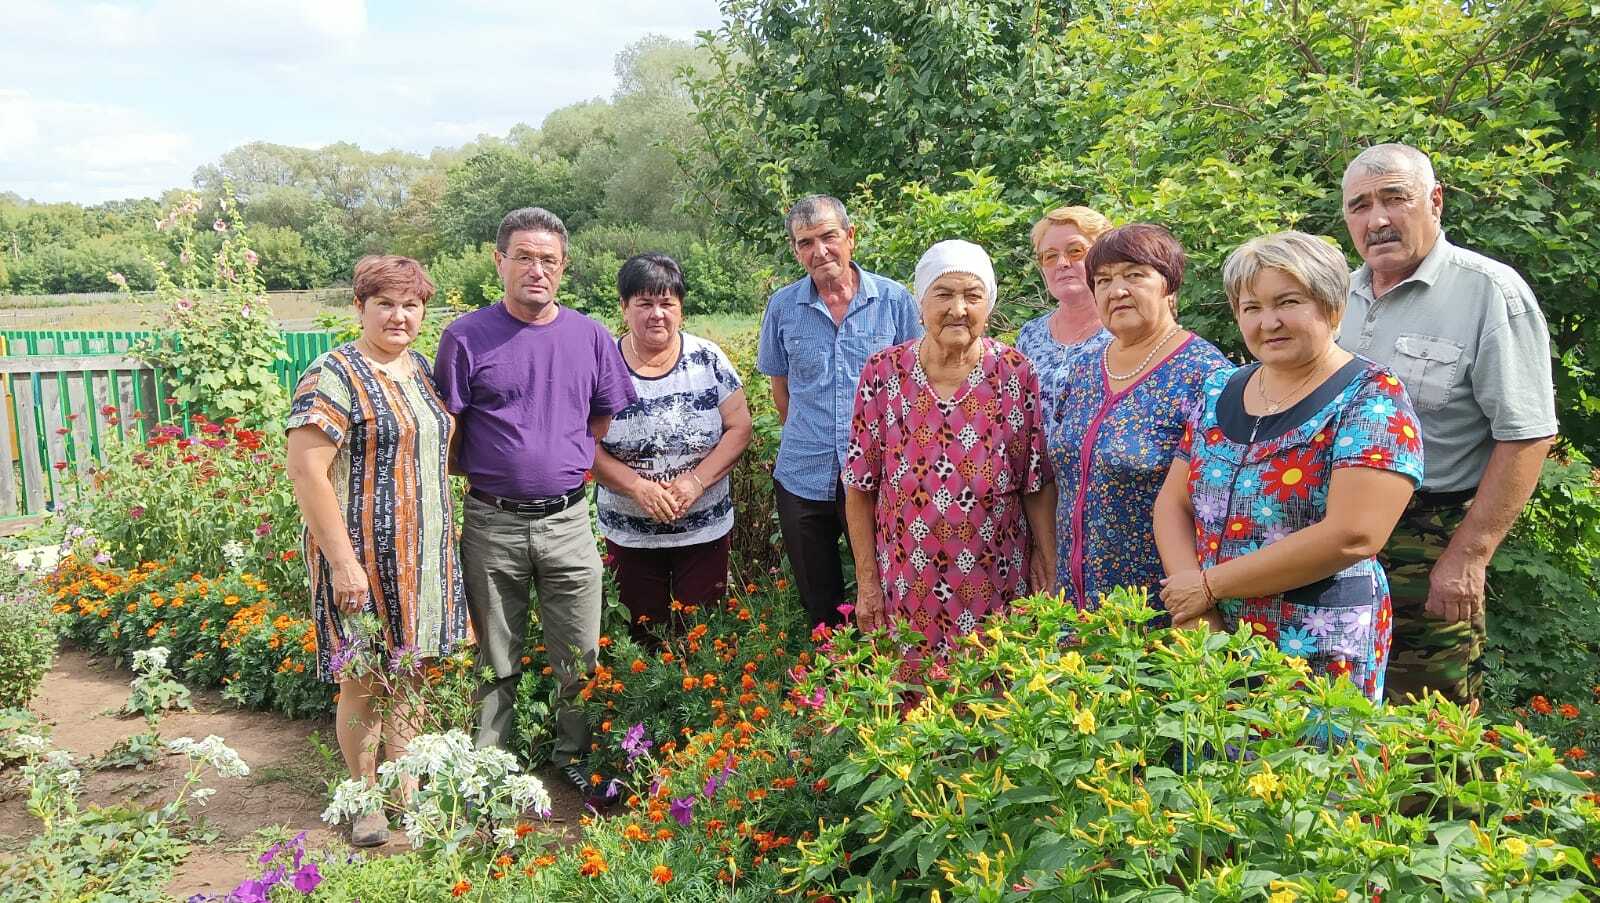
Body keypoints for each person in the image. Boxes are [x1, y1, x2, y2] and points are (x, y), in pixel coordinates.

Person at [1154, 231, 1424, 703]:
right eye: (1251, 307)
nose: (1269, 321)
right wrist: (1193, 607)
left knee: (1313, 752)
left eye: (1288, 301)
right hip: (1211, 636)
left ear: (1332, 306)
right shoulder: (1220, 389)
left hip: (1317, 644)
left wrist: (1208, 586)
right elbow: (1173, 503)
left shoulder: (1371, 396)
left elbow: (1354, 534)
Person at [1336, 143, 1559, 706]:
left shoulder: (1490, 292)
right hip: (1332, 532)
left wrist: (1469, 555)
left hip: (1429, 538)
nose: (1377, 219)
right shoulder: (1337, 293)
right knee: (1334, 705)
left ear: (1435, 201)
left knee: (1428, 718)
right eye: (1360, 206)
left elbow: (1527, 434)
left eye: (1395, 198)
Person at [432, 207, 638, 794]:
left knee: (579, 651)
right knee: (496, 655)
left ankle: (575, 756)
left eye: (548, 259)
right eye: (523, 257)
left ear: (564, 266)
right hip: (492, 521)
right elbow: (448, 431)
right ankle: (491, 767)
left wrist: (554, 461)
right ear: (499, 261)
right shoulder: (465, 337)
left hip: (569, 521)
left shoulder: (589, 336)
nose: (536, 270)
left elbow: (599, 420)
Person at [286, 255, 471, 846]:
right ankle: (365, 799)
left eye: (411, 305)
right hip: (360, 558)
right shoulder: (333, 373)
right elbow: (307, 472)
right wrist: (342, 562)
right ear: (359, 307)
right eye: (385, 304)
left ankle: (405, 793)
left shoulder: (422, 370)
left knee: (411, 673)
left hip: (424, 557)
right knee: (363, 678)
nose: (399, 316)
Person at [842, 239, 1055, 654]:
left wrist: (1046, 560)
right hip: (907, 583)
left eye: (972, 296)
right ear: (921, 304)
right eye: (943, 294)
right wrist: (867, 583)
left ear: (988, 305)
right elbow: (859, 487)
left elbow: (1035, 482)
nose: (958, 309)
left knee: (993, 684)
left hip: (997, 580)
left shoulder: (1014, 372)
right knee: (912, 687)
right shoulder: (883, 373)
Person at [1046, 224, 1230, 617]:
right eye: (1103, 280)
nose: (1117, 291)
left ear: (1169, 286)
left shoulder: (1205, 374)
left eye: (1134, 275)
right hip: (1073, 609)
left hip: (1158, 610)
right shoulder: (1084, 368)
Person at [756, 195, 922, 630]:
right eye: (805, 242)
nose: (820, 251)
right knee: (819, 602)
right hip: (803, 476)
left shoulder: (894, 301)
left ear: (850, 237)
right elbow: (781, 389)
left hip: (881, 478)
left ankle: (885, 670)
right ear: (796, 250)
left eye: (828, 237)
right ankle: (828, 670)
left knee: (889, 592)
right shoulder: (783, 307)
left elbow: (916, 384)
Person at [592, 253, 753, 645]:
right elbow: (582, 442)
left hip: (704, 528)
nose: (657, 314)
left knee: (703, 639)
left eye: (667, 303)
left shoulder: (707, 358)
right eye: (644, 303)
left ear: (681, 307)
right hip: (630, 533)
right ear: (624, 306)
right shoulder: (601, 364)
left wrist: (695, 483)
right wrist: (638, 487)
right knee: (643, 639)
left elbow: (739, 427)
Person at [1014, 205, 1114, 393]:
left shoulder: (1124, 332)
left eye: (1075, 251)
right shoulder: (1030, 334)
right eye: (1050, 256)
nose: (1062, 263)